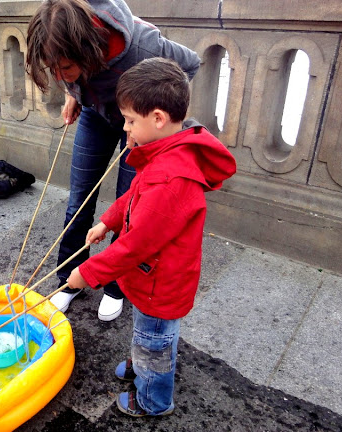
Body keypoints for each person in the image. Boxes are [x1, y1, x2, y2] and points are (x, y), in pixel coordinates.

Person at [66, 58, 237, 417]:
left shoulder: (171, 179)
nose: (125, 130)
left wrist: (89, 273)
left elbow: (137, 244)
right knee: (149, 332)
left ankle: (153, 399)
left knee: (155, 340)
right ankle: (140, 362)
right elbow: (134, 195)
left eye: (130, 121)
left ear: (158, 119)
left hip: (161, 283)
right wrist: (108, 222)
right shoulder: (164, 155)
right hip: (153, 277)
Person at [26, 0, 201, 321]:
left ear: (89, 48)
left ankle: (116, 286)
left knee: (131, 206)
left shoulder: (142, 46)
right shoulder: (63, 45)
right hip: (95, 113)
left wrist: (147, 120)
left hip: (135, 123)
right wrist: (73, 92)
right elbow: (68, 73)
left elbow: (189, 66)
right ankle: (68, 280)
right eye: (54, 70)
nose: (60, 75)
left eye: (66, 67)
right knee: (78, 199)